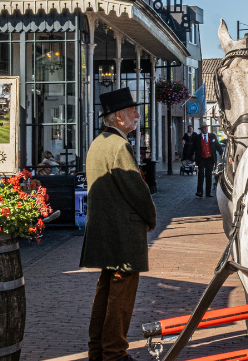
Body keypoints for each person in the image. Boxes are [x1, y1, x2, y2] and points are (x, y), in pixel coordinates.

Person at [80, 87, 157, 361]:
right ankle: (114, 353)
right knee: (121, 296)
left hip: (104, 231)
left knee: (105, 289)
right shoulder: (119, 145)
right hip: (123, 234)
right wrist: (151, 217)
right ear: (118, 117)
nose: (138, 114)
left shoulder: (98, 142)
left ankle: (97, 350)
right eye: (132, 111)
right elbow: (136, 189)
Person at [195, 123, 223, 198]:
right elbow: (193, 148)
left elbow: (217, 145)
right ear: (201, 129)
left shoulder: (212, 136)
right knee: (200, 175)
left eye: (206, 128)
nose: (206, 129)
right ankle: (200, 191)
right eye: (204, 128)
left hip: (210, 159)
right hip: (201, 159)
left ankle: (208, 192)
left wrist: (221, 153)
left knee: (209, 176)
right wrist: (188, 158)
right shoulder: (197, 138)